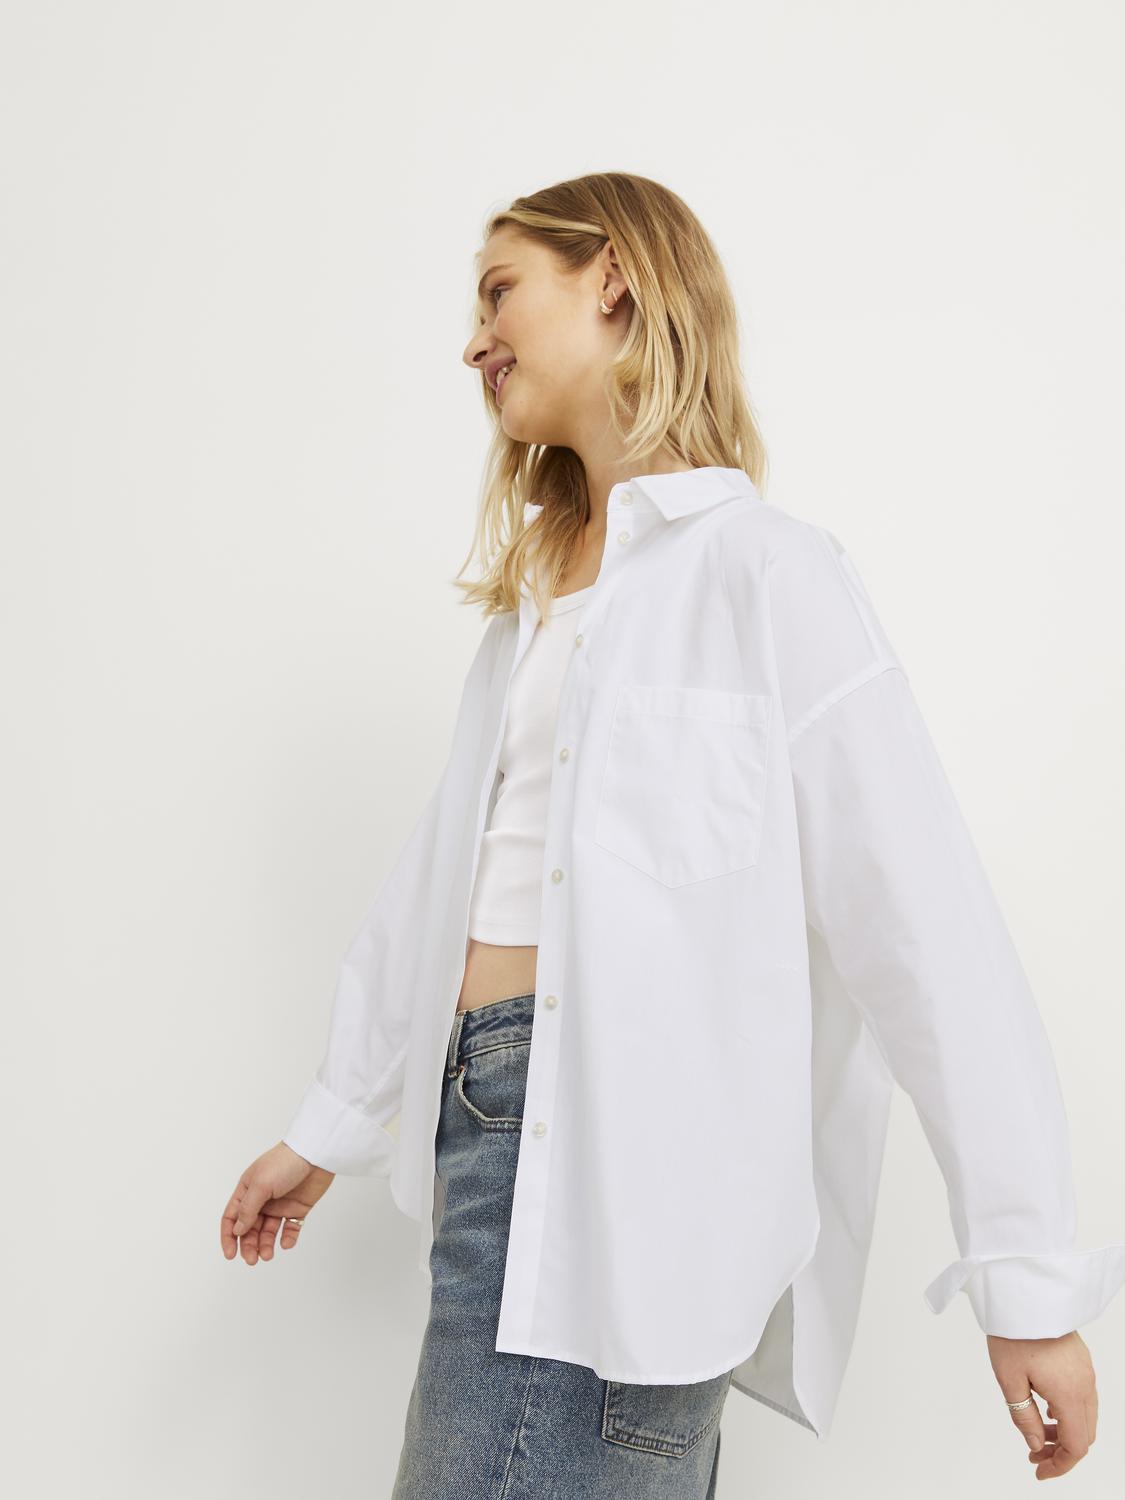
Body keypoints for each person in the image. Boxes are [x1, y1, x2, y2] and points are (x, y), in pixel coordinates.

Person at [220, 172, 1121, 1494]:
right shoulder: (535, 610)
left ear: (614, 281)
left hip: (612, 1185)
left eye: (499, 291)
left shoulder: (766, 574)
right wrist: (332, 1123)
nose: (473, 341)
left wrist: (1025, 1280)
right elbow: (445, 881)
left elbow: (923, 926)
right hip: (494, 1140)